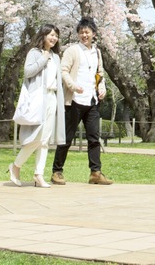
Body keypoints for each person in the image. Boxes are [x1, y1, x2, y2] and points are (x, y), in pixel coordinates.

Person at [50, 17, 113, 186]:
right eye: (81, 32)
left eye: (87, 32)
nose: (84, 35)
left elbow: (100, 74)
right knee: (67, 137)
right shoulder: (72, 51)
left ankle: (95, 173)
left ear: (93, 33)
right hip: (74, 101)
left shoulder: (97, 52)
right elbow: (63, 71)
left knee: (94, 138)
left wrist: (102, 88)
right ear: (78, 34)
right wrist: (72, 85)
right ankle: (57, 172)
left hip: (92, 101)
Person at [8, 24, 66, 188]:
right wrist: (43, 58)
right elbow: (27, 72)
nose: (53, 38)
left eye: (56, 35)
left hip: (52, 97)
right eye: (51, 35)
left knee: (45, 140)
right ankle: (16, 165)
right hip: (38, 99)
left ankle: (38, 174)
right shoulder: (34, 53)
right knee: (37, 137)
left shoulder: (56, 57)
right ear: (43, 36)